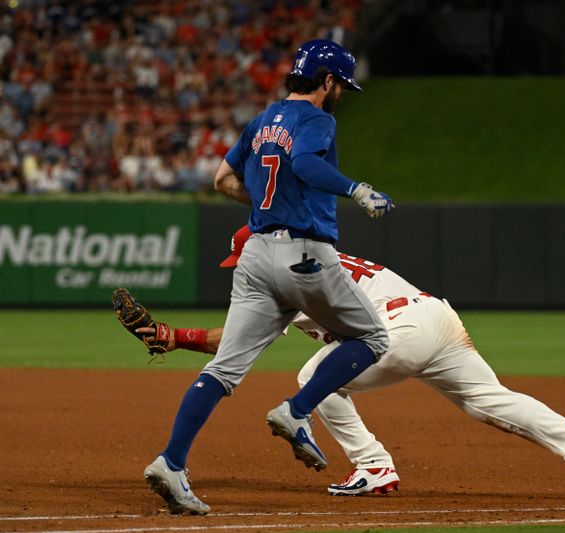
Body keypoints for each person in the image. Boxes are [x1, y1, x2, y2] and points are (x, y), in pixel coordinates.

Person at [138, 225, 565, 498]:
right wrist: (175, 337)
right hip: (434, 317)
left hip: (399, 329)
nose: (240, 270)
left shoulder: (285, 275)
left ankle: (373, 465)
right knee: (490, 400)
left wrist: (177, 337)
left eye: (241, 260)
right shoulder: (312, 258)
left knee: (317, 377)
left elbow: (236, 342)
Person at [143, 40, 394, 515]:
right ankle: (296, 411)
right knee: (373, 338)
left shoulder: (262, 121)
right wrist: (356, 189)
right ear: (327, 81)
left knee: (222, 370)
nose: (341, 92)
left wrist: (266, 207)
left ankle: (171, 463)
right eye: (340, 84)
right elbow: (301, 163)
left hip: (255, 255)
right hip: (303, 253)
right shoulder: (319, 118)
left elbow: (222, 180)